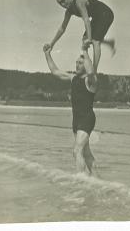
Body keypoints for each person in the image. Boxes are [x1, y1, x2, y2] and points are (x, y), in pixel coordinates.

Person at [43, 41, 98, 176]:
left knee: (76, 151)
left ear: (85, 65)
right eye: (76, 63)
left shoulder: (91, 81)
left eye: (80, 63)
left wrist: (85, 51)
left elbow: (91, 71)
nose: (77, 65)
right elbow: (55, 72)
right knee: (86, 154)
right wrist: (47, 54)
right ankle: (98, 182)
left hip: (87, 118)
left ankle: (81, 182)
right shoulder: (73, 78)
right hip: (76, 120)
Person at [49, 0, 116, 73]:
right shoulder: (68, 11)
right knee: (84, 39)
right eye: (60, 3)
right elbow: (62, 28)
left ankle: (94, 71)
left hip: (106, 13)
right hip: (97, 16)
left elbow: (86, 20)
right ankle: (87, 66)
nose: (63, 5)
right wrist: (51, 44)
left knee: (95, 41)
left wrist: (90, 38)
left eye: (63, 1)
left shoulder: (79, 2)